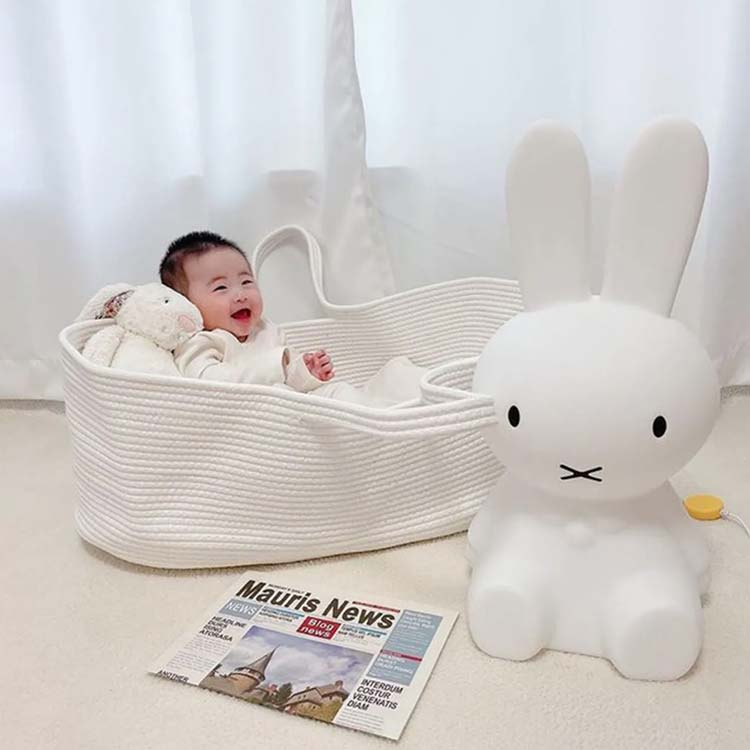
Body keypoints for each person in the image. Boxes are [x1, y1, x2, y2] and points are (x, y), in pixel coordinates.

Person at [160, 231, 424, 405]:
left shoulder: (265, 330)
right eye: (221, 288)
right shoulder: (201, 343)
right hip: (262, 426)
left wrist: (307, 372)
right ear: (187, 305)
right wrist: (278, 366)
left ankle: (405, 405)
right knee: (341, 400)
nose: (240, 295)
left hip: (300, 406)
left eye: (246, 281)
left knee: (356, 387)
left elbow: (293, 381)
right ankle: (388, 418)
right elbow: (208, 386)